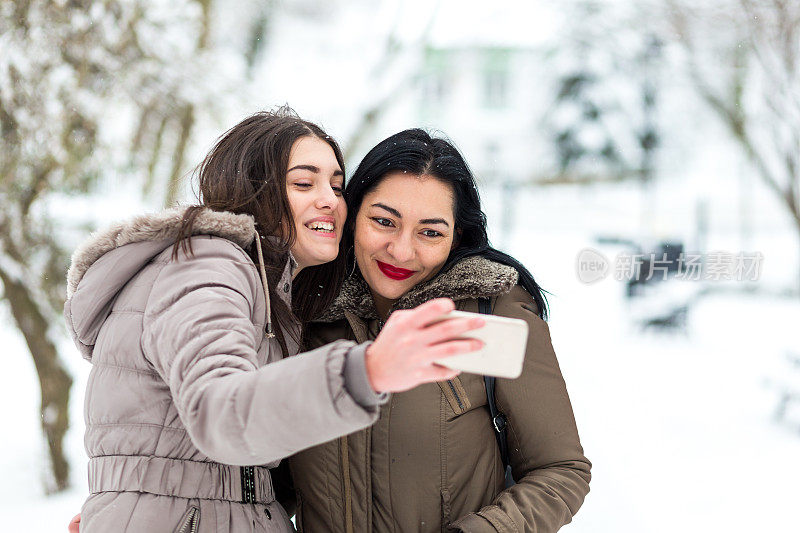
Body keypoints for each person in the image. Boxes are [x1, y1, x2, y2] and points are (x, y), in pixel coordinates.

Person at [64, 110, 484, 532]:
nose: (331, 201)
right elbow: (221, 414)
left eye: (337, 186)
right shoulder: (208, 265)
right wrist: (366, 371)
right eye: (304, 183)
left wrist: (133, 500)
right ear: (251, 188)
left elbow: (230, 461)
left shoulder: (268, 292)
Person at [287, 129, 592, 532]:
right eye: (383, 221)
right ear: (351, 214)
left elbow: (560, 469)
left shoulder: (491, 317)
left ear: (456, 237)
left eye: (430, 232)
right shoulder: (307, 317)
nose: (401, 250)